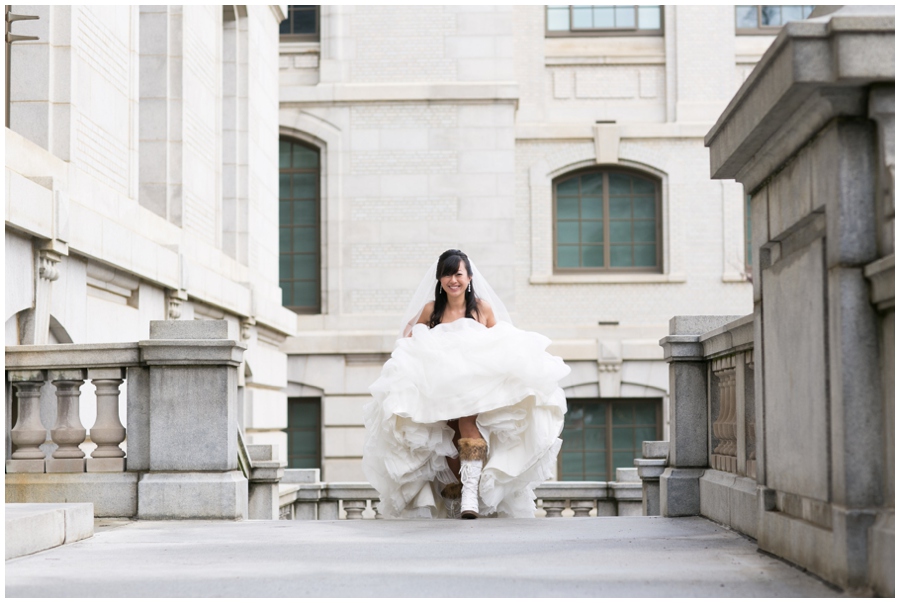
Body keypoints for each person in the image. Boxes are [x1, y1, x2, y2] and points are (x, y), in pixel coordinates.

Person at [362, 249, 570, 519]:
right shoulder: (432, 310)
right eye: (447, 274)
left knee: (467, 422)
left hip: (475, 385)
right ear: (440, 279)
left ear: (469, 277)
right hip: (440, 386)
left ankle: (471, 494)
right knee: (448, 435)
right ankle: (457, 489)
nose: (453, 280)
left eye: (458, 273)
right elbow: (409, 336)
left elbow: (499, 339)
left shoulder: (481, 308)